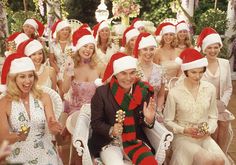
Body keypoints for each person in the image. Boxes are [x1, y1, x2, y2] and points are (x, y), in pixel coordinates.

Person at [88, 52, 158, 165]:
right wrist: (111, 130)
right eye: (123, 73)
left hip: (134, 141)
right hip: (109, 143)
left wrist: (149, 119)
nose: (128, 78)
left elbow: (146, 124)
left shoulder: (142, 91)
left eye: (132, 73)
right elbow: (96, 123)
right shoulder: (102, 93)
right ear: (116, 74)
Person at [164, 48, 229, 165]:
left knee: (220, 161)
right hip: (183, 137)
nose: (198, 76)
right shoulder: (174, 93)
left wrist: (208, 130)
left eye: (201, 72)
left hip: (204, 137)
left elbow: (213, 116)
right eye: (193, 72)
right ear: (185, 72)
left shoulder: (210, 89)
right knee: (207, 160)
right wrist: (184, 130)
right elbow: (167, 121)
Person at [0, 57, 63, 164]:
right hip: (17, 152)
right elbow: (3, 138)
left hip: (44, 150)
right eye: (22, 76)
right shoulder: (5, 102)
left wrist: (53, 128)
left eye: (31, 75)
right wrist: (18, 136)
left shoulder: (44, 97)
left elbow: (53, 130)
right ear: (14, 79)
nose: (28, 81)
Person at [197, 27, 235, 154]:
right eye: (209, 47)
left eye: (215, 47)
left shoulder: (224, 63)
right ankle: (211, 156)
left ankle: (221, 156)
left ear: (219, 48)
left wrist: (223, 103)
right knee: (214, 128)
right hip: (204, 107)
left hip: (221, 105)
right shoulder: (199, 65)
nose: (213, 51)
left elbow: (229, 87)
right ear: (204, 49)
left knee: (224, 125)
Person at [62, 27, 103, 116]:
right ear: (79, 47)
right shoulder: (71, 65)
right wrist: (69, 71)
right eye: (85, 46)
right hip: (76, 111)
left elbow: (106, 92)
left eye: (91, 47)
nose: (87, 50)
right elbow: (65, 90)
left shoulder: (99, 67)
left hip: (95, 111)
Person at [133, 32, 165, 119]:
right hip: (135, 113)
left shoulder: (160, 70)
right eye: (145, 49)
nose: (148, 52)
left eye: (151, 49)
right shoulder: (133, 69)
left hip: (154, 113)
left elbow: (161, 95)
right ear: (139, 51)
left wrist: (158, 110)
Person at [49, 20, 72, 97]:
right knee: (62, 90)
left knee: (69, 91)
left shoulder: (72, 43)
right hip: (58, 70)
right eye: (62, 29)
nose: (65, 32)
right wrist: (58, 71)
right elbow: (51, 60)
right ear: (58, 32)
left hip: (71, 70)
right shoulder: (53, 44)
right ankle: (62, 104)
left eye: (67, 30)